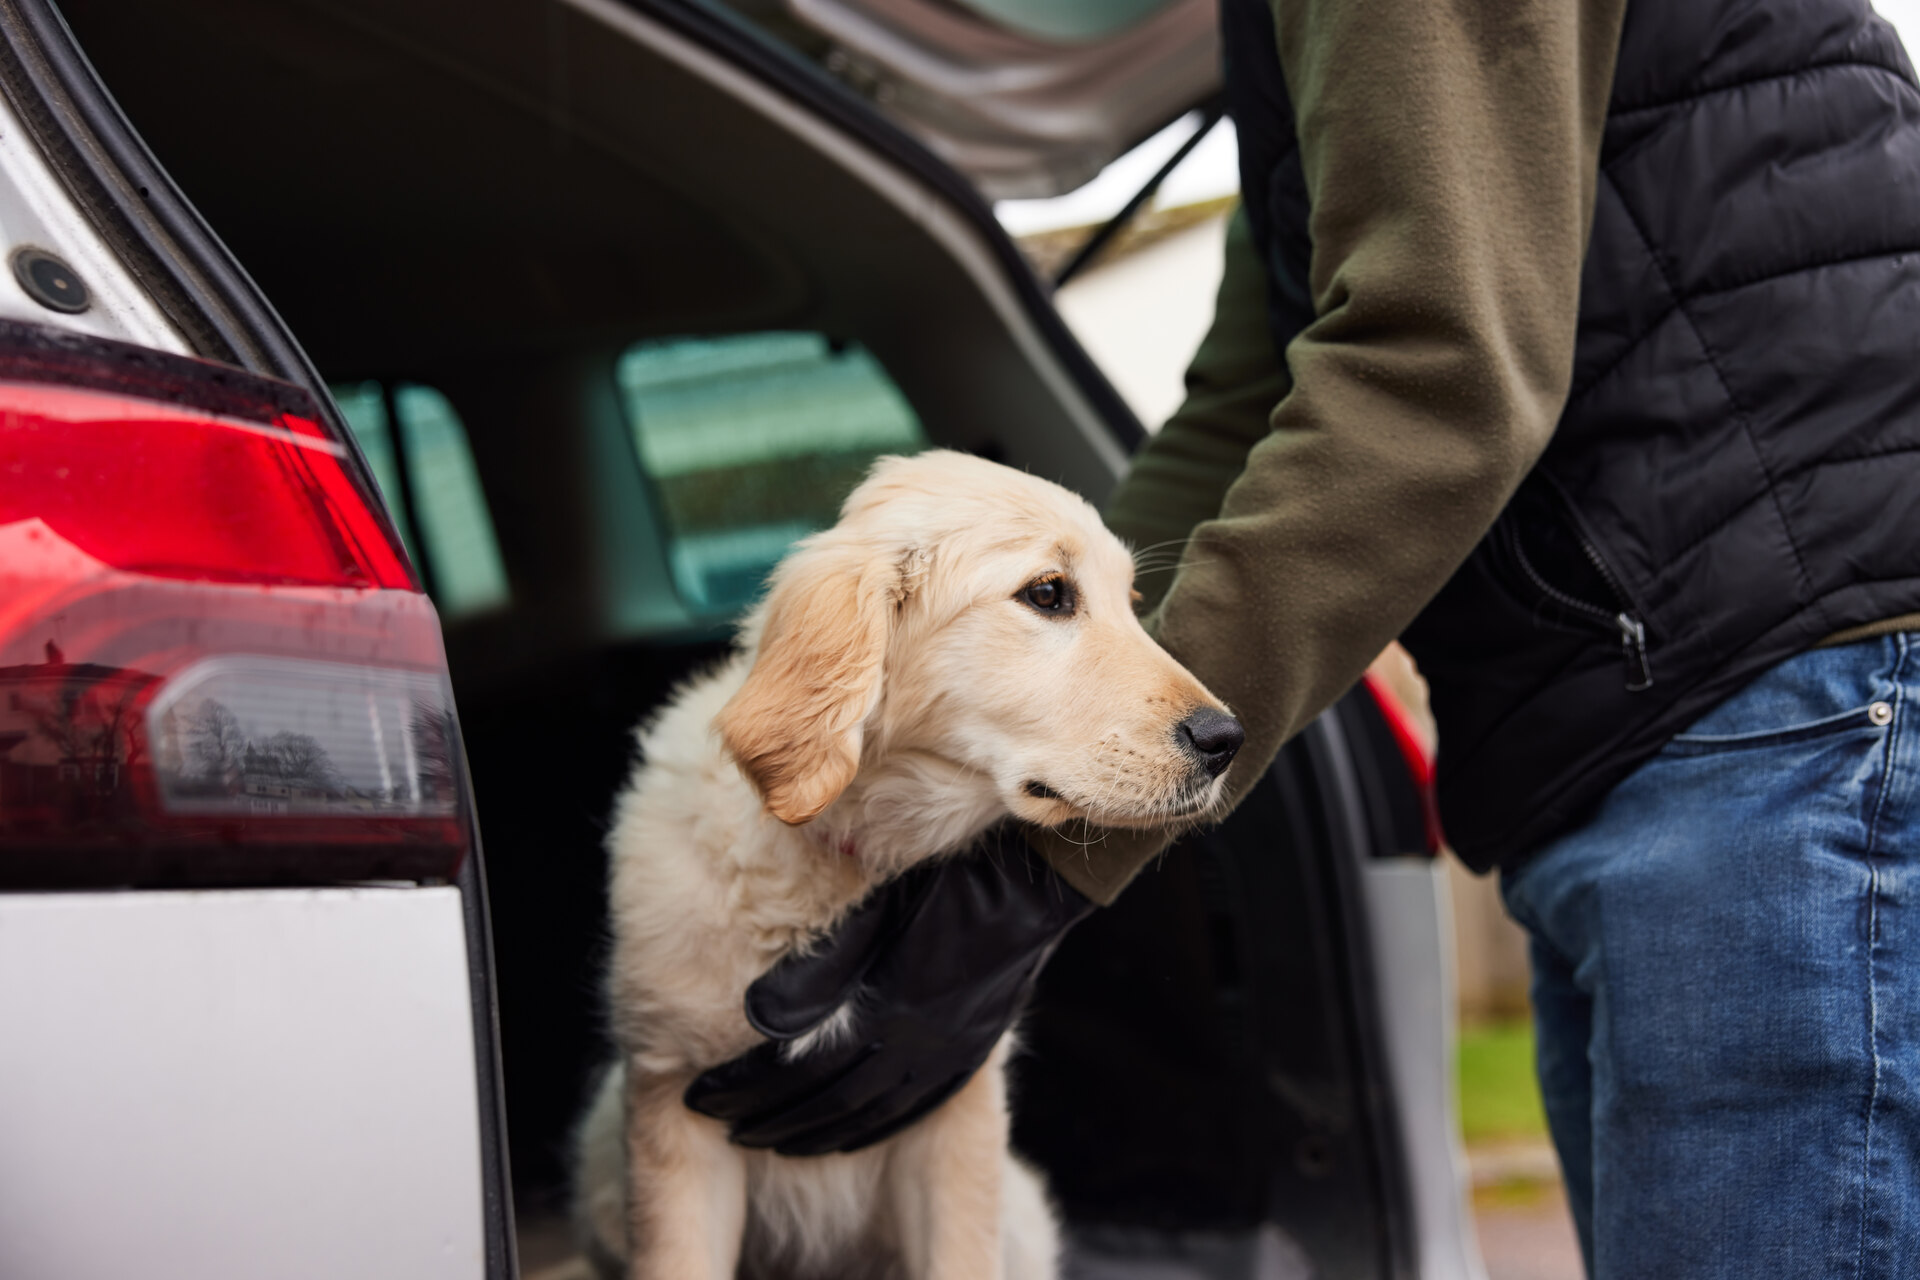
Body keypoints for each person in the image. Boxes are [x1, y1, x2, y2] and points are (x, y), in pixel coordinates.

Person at [687, 0, 1920, 1272]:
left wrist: (1036, 876)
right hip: (1649, 710)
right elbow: (1257, 392)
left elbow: (1441, 363)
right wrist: (1031, 735)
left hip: (1777, 699)